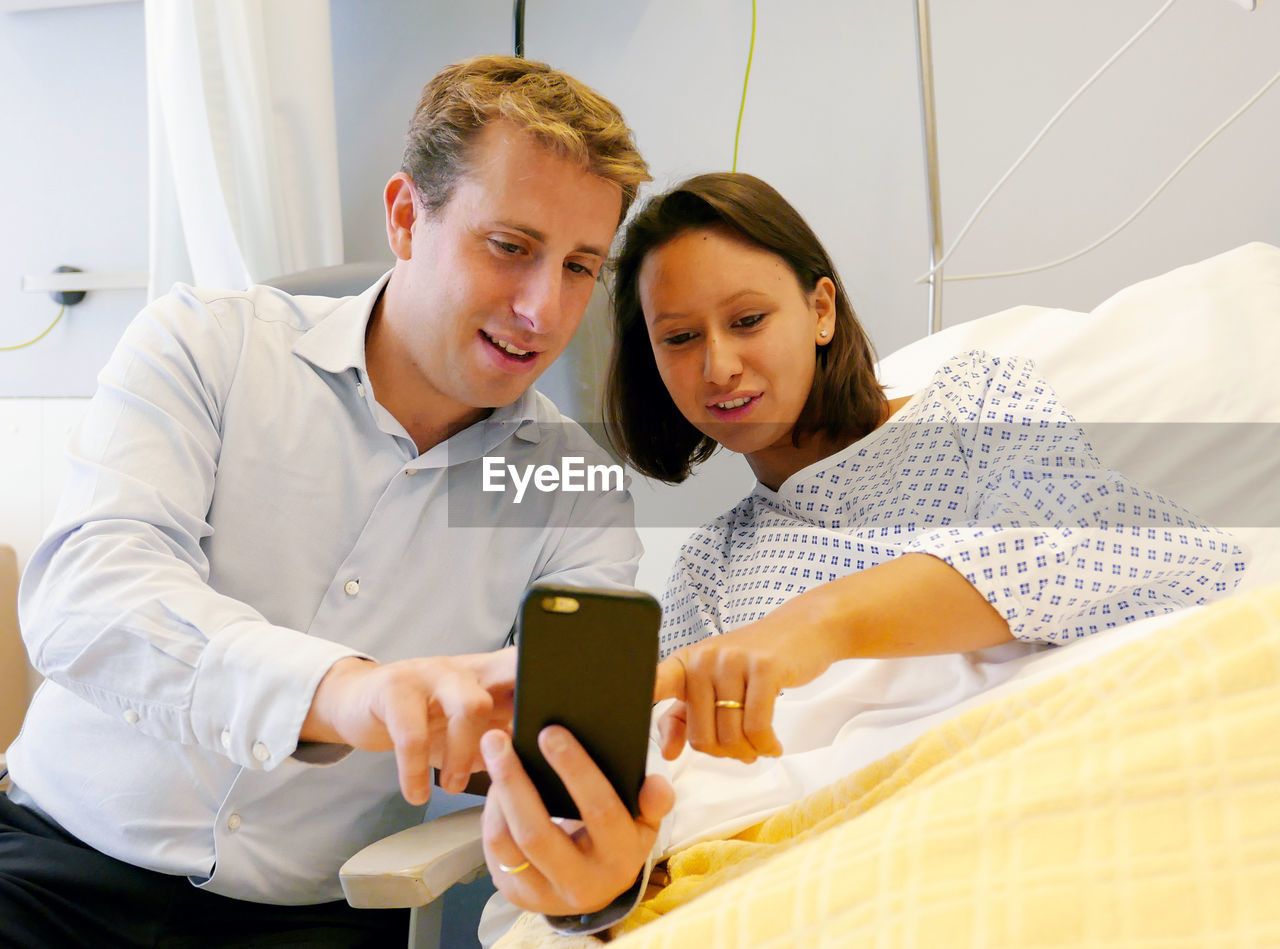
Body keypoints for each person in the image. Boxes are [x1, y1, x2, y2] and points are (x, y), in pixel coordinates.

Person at [0, 55, 671, 948]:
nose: (545, 310)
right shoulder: (207, 350)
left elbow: (560, 764)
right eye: (510, 247)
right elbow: (86, 598)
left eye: (581, 266)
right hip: (52, 870)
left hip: (315, 920)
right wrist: (344, 691)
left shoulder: (567, 487)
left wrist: (588, 866)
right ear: (405, 217)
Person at [476, 172, 1249, 937]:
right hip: (842, 863)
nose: (718, 366)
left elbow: (1111, 545)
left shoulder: (974, 407)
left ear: (820, 309)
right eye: (679, 338)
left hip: (1046, 775)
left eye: (747, 319)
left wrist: (820, 625)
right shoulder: (711, 567)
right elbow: (683, 788)